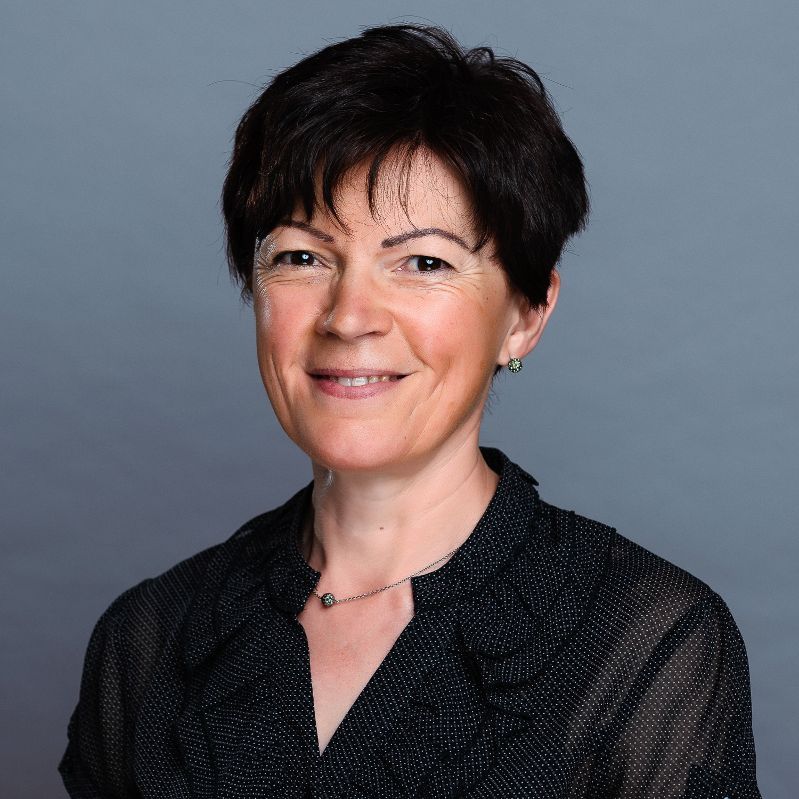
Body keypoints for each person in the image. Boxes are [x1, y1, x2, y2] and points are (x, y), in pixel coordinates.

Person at [59, 24, 761, 798]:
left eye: (422, 262)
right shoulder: (148, 639)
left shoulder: (646, 643)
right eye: (301, 256)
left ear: (525, 315)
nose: (348, 316)